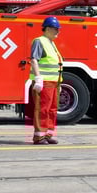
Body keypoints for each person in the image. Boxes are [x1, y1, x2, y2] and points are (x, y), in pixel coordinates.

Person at [27, 16, 63, 145]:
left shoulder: (50, 42)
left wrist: (59, 83)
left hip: (53, 83)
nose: (58, 31)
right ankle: (39, 136)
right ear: (47, 29)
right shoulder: (39, 41)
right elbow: (34, 59)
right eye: (56, 29)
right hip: (45, 82)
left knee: (52, 109)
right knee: (43, 108)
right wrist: (38, 79)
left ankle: (48, 134)